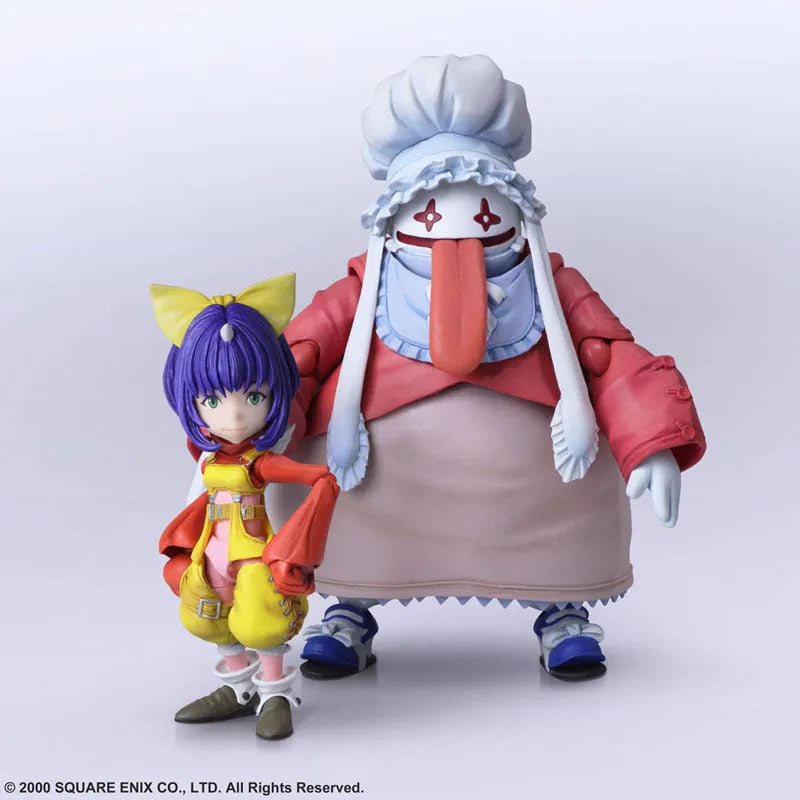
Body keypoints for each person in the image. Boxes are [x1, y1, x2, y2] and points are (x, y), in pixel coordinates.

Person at [269, 55, 706, 683]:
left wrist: (653, 442)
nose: (458, 230)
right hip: (376, 483)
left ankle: (562, 611)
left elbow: (610, 356)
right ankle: (349, 608)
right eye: (431, 207)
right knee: (353, 533)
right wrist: (257, 430)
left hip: (540, 486)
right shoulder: (363, 289)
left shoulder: (552, 285)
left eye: (481, 207)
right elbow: (298, 357)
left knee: (562, 534)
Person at [152, 274, 339, 738]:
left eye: (254, 397)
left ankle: (275, 694)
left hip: (253, 553)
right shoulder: (210, 460)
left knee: (260, 619)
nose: (234, 416)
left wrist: (320, 485)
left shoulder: (259, 461)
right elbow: (196, 498)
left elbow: (305, 475)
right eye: (211, 400)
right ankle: (238, 689)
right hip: (211, 551)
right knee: (210, 616)